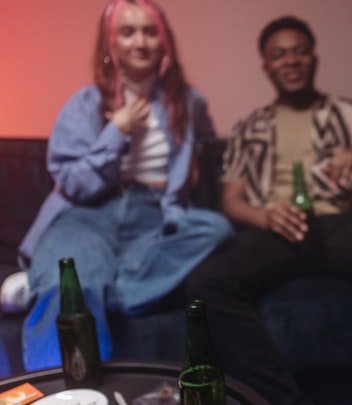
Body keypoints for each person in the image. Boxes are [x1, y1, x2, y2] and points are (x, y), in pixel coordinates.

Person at [186, 15, 352, 405]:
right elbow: (230, 202)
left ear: (313, 58)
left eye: (299, 52)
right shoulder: (249, 128)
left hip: (344, 222)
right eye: (279, 55)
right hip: (275, 229)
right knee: (205, 284)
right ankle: (281, 400)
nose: (290, 61)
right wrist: (265, 217)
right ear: (267, 66)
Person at [19, 0, 233, 371]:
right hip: (88, 213)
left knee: (216, 228)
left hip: (155, 217)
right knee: (73, 284)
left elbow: (206, 147)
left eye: (150, 31)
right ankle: (59, 389)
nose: (140, 42)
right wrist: (116, 130)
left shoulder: (189, 103)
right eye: (128, 32)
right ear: (110, 43)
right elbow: (72, 182)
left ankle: (103, 287)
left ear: (164, 41)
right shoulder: (84, 103)